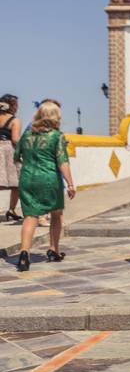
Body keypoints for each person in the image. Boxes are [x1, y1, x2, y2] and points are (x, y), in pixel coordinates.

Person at [14, 100, 76, 272]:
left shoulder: (27, 135)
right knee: (56, 214)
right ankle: (53, 250)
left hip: (27, 178)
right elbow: (62, 161)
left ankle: (24, 255)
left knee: (30, 217)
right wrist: (70, 184)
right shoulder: (57, 136)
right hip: (49, 179)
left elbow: (16, 156)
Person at [0, 94, 23, 223]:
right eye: (16, 105)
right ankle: (11, 209)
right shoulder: (15, 120)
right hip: (8, 152)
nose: (18, 108)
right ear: (11, 106)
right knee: (16, 183)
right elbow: (15, 139)